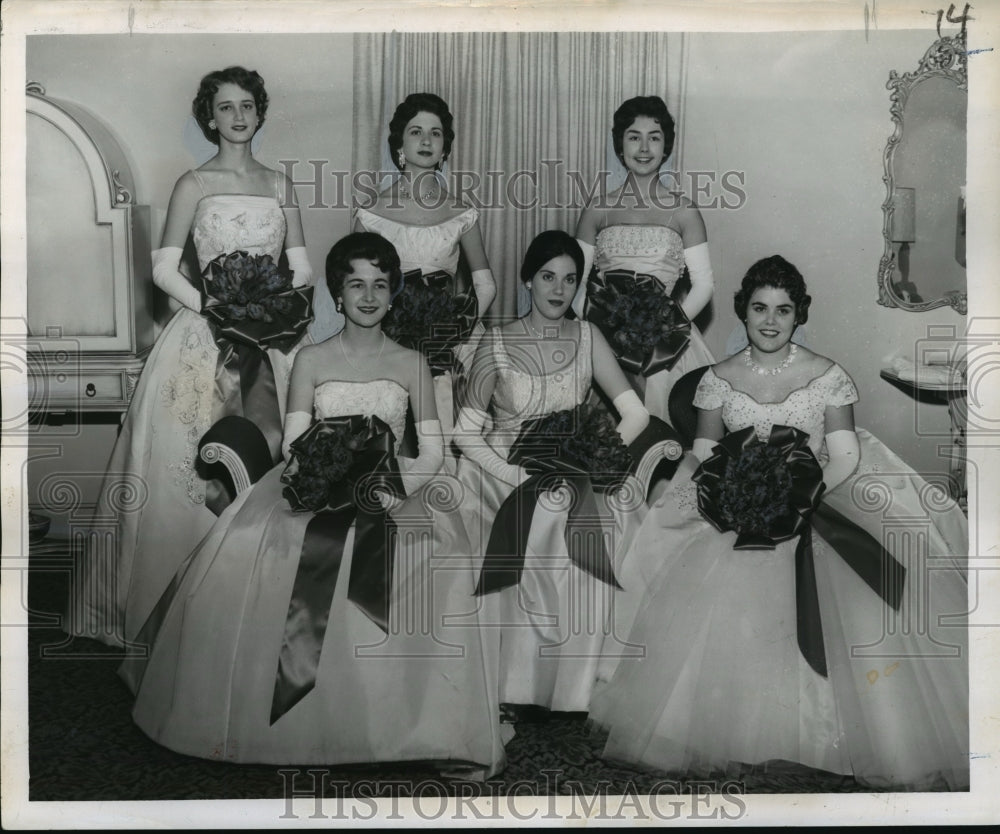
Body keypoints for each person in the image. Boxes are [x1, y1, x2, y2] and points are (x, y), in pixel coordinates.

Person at [118, 232, 508, 777]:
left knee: (433, 551)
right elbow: (296, 445)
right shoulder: (311, 359)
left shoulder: (412, 362)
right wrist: (329, 480)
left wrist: (392, 489)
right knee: (265, 544)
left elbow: (433, 453)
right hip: (315, 487)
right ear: (338, 292)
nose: (368, 296)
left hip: (393, 488)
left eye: (379, 285)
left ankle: (407, 724)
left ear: (393, 292)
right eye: (355, 285)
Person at [588, 256, 969, 790]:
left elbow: (843, 456)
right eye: (760, 308)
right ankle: (749, 734)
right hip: (741, 512)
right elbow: (704, 453)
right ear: (743, 311)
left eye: (784, 310)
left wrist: (795, 502)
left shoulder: (827, 374)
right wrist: (730, 500)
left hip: (821, 500)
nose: (771, 320)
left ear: (799, 315)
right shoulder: (717, 380)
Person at [66, 66, 314, 648]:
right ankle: (173, 617)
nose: (237, 116)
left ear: (260, 112)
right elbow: (161, 266)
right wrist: (220, 306)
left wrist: (272, 307)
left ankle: (256, 606)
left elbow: (301, 265)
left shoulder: (283, 184)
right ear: (209, 117)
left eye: (246, 105)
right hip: (204, 335)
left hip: (270, 337)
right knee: (181, 475)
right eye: (224, 107)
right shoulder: (194, 185)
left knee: (276, 458)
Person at [454, 230, 651, 716]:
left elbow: (636, 414)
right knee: (545, 513)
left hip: (573, 470)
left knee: (611, 512)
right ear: (526, 280)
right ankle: (519, 685)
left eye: (569, 279)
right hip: (505, 470)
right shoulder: (495, 343)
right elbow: (464, 434)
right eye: (547, 277)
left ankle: (575, 689)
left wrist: (594, 455)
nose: (558, 290)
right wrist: (513, 473)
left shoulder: (588, 336)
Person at [354, 93, 496, 458]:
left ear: (445, 147)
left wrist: (452, 330)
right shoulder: (371, 214)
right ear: (399, 144)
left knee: (451, 434)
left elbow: (485, 285)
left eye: (436, 133)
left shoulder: (462, 212)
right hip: (387, 333)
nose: (426, 141)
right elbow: (356, 285)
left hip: (448, 336)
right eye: (416, 132)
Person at [575, 95, 716, 420]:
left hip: (667, 342)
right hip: (605, 340)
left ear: (666, 147)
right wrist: (600, 330)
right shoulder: (597, 209)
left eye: (654, 138)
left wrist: (663, 327)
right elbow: (575, 283)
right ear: (619, 144)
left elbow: (704, 285)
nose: (643, 148)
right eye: (634, 137)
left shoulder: (684, 212)